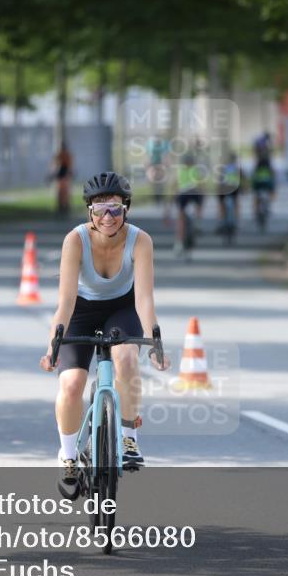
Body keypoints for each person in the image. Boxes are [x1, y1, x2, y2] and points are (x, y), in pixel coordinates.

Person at [39, 172, 169, 498]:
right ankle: (69, 456)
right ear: (89, 211)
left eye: (114, 209)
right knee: (71, 385)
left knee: (126, 360)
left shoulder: (140, 240)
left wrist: (155, 340)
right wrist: (54, 344)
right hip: (81, 312)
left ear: (126, 208)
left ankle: (129, 438)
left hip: (123, 308)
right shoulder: (75, 240)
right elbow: (66, 301)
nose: (107, 217)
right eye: (99, 209)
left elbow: (144, 299)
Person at [173, 151, 205, 255]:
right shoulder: (196, 171)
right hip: (194, 193)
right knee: (200, 200)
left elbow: (175, 186)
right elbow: (201, 186)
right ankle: (198, 220)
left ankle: (179, 243)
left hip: (183, 194)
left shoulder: (180, 171)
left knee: (180, 218)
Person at [216, 152, 241, 233]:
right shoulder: (236, 168)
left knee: (221, 205)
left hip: (224, 189)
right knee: (236, 203)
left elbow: (219, 180)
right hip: (233, 188)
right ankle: (237, 222)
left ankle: (221, 222)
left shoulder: (223, 167)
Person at [51, 143, 73, 216]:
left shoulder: (65, 155)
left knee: (64, 193)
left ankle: (65, 207)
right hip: (61, 176)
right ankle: (62, 207)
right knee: (61, 192)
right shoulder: (60, 155)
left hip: (64, 176)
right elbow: (55, 166)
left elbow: (69, 167)